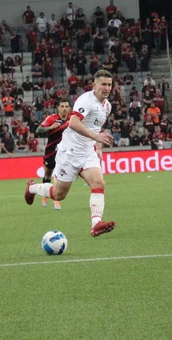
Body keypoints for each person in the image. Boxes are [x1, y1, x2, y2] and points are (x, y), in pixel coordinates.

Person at [24, 70, 116, 237]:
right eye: (103, 84)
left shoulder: (107, 106)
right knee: (59, 194)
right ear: (94, 85)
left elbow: (96, 129)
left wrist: (98, 147)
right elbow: (73, 123)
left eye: (109, 84)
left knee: (99, 184)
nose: (107, 88)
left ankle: (96, 224)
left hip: (87, 152)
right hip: (70, 153)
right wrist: (96, 137)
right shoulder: (86, 101)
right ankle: (32, 188)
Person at [35, 99, 71, 210]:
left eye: (66, 106)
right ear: (58, 108)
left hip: (65, 152)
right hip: (51, 151)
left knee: (59, 175)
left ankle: (56, 200)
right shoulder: (52, 118)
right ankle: (45, 196)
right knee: (47, 175)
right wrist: (50, 128)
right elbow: (38, 130)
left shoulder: (72, 119)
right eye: (62, 106)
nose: (64, 108)